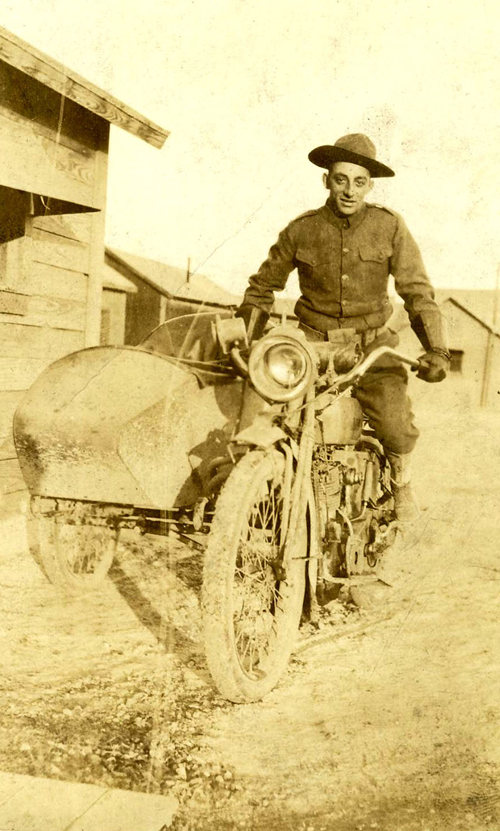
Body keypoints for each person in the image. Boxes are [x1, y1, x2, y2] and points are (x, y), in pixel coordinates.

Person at [236, 133, 450, 522]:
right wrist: (246, 339)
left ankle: (400, 483)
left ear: (370, 185)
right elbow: (262, 287)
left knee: (395, 424)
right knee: (268, 411)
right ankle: (256, 494)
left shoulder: (390, 227)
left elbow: (416, 291)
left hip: (372, 348)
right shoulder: (301, 229)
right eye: (340, 179)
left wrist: (437, 349)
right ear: (327, 180)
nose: (349, 191)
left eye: (359, 181)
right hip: (311, 346)